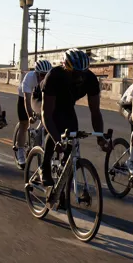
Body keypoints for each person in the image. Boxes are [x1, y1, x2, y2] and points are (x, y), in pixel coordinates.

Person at [39, 48, 107, 187]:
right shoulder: (54, 76)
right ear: (66, 68)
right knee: (56, 129)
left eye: (83, 73)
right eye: (76, 74)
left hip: (67, 104)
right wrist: (57, 140)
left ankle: (63, 182)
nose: (80, 77)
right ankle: (44, 168)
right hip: (44, 100)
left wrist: (100, 137)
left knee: (72, 136)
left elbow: (95, 112)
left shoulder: (90, 79)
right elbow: (46, 114)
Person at [15, 59, 52, 166]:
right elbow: (27, 100)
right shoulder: (29, 78)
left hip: (42, 96)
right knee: (24, 123)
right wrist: (30, 115)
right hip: (26, 96)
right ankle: (20, 151)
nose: (45, 78)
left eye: (47, 75)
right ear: (36, 73)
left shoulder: (51, 79)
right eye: (42, 75)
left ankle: (38, 131)